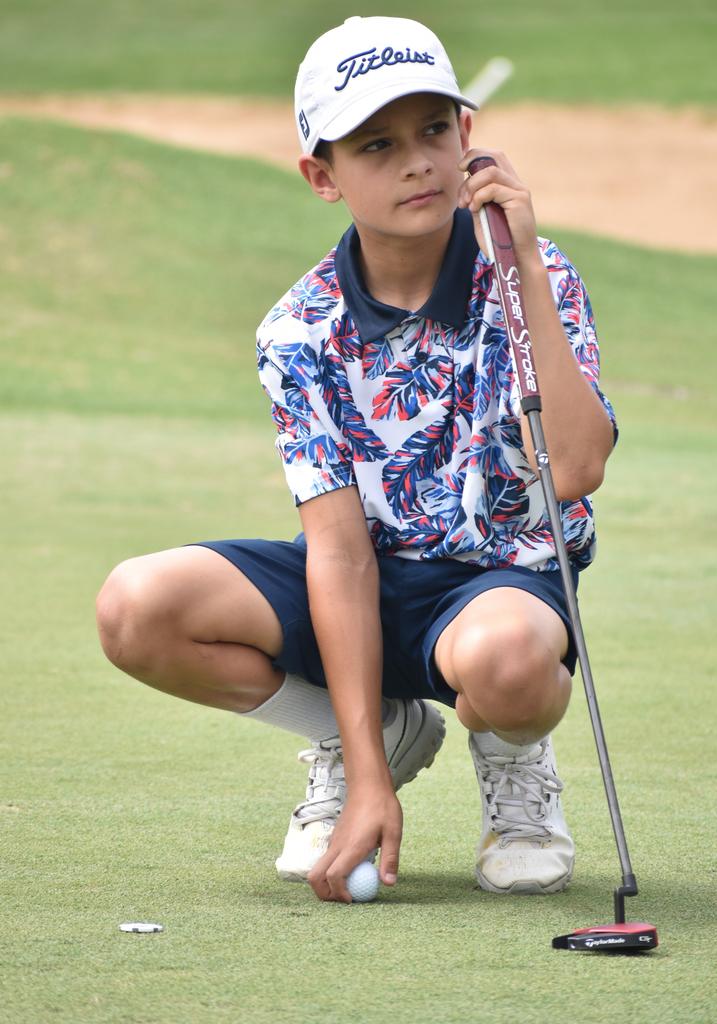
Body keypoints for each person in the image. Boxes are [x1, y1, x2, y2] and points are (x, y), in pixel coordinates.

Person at [96, 15, 617, 904]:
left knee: (511, 660)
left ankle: (514, 758)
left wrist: (524, 260)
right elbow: (336, 551)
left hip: (498, 590)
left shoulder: (541, 274)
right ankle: (369, 731)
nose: (416, 161)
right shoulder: (299, 328)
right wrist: (372, 776)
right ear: (323, 176)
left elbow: (573, 470)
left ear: (468, 140)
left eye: (433, 131)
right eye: (376, 144)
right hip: (363, 577)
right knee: (135, 608)